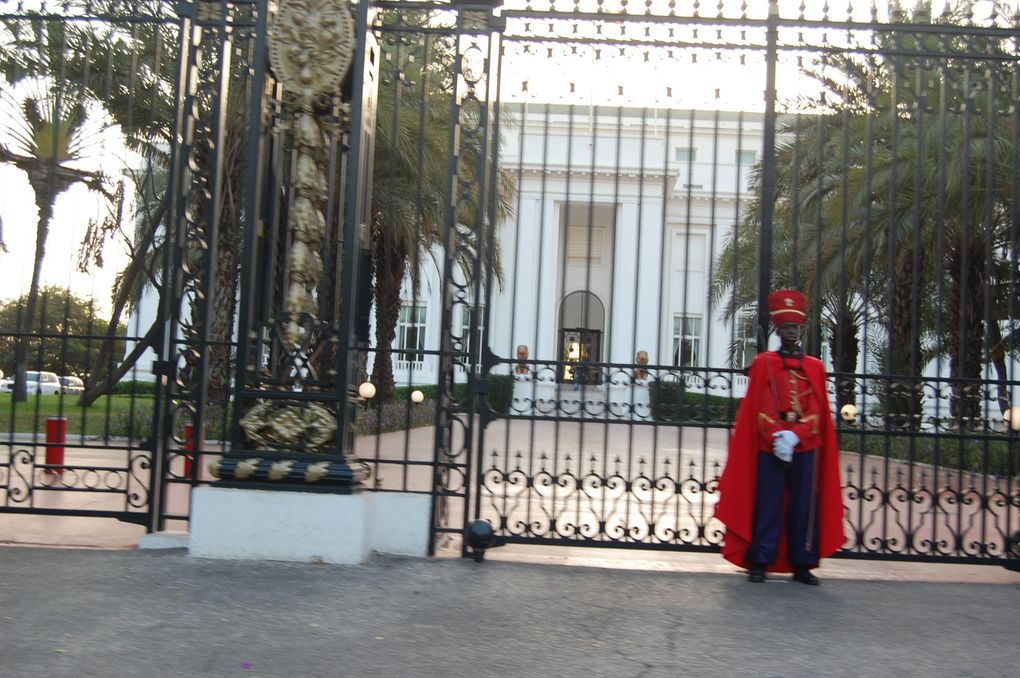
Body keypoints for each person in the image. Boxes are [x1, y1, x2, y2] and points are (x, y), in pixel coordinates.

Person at [715, 289, 845, 585]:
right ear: (777, 330)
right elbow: (758, 407)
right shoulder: (764, 363)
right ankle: (760, 560)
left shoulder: (814, 366)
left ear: (801, 330)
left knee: (803, 506)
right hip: (769, 444)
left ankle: (803, 563)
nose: (791, 333)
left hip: (805, 446)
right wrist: (777, 435)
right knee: (768, 503)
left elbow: (817, 410)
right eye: (786, 328)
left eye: (795, 328)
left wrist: (796, 435)